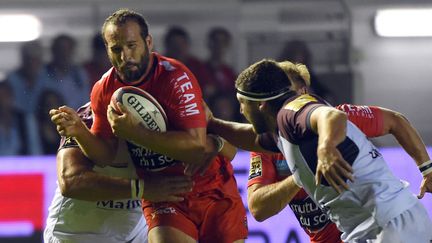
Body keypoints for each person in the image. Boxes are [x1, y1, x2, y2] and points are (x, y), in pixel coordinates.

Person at [50, 9, 247, 243]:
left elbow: (210, 148)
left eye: (132, 45)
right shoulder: (97, 102)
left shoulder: (177, 82)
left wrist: (216, 142)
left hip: (208, 193)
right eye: (116, 49)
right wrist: (81, 133)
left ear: (148, 42)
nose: (125, 57)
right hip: (90, 229)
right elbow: (76, 178)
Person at [207, 59, 432, 242]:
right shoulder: (280, 130)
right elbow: (250, 138)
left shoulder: (291, 112)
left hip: (387, 226)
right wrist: (212, 124)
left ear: (261, 104)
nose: (240, 110)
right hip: (380, 226)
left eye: (242, 102)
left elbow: (331, 115)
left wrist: (326, 147)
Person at [247, 104, 432, 243]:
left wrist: (427, 169)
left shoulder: (338, 118)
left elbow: (395, 120)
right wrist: (299, 176)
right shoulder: (269, 146)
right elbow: (258, 208)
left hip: (376, 229)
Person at [44, 102, 194, 243]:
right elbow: (71, 182)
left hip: (134, 235)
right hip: (74, 236)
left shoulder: (174, 116)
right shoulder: (90, 117)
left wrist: (215, 142)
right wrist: (142, 189)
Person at [45, 34, 90, 110]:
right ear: (54, 51)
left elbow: (85, 101)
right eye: (60, 49)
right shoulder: (44, 74)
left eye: (67, 49)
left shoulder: (79, 74)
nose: (64, 54)